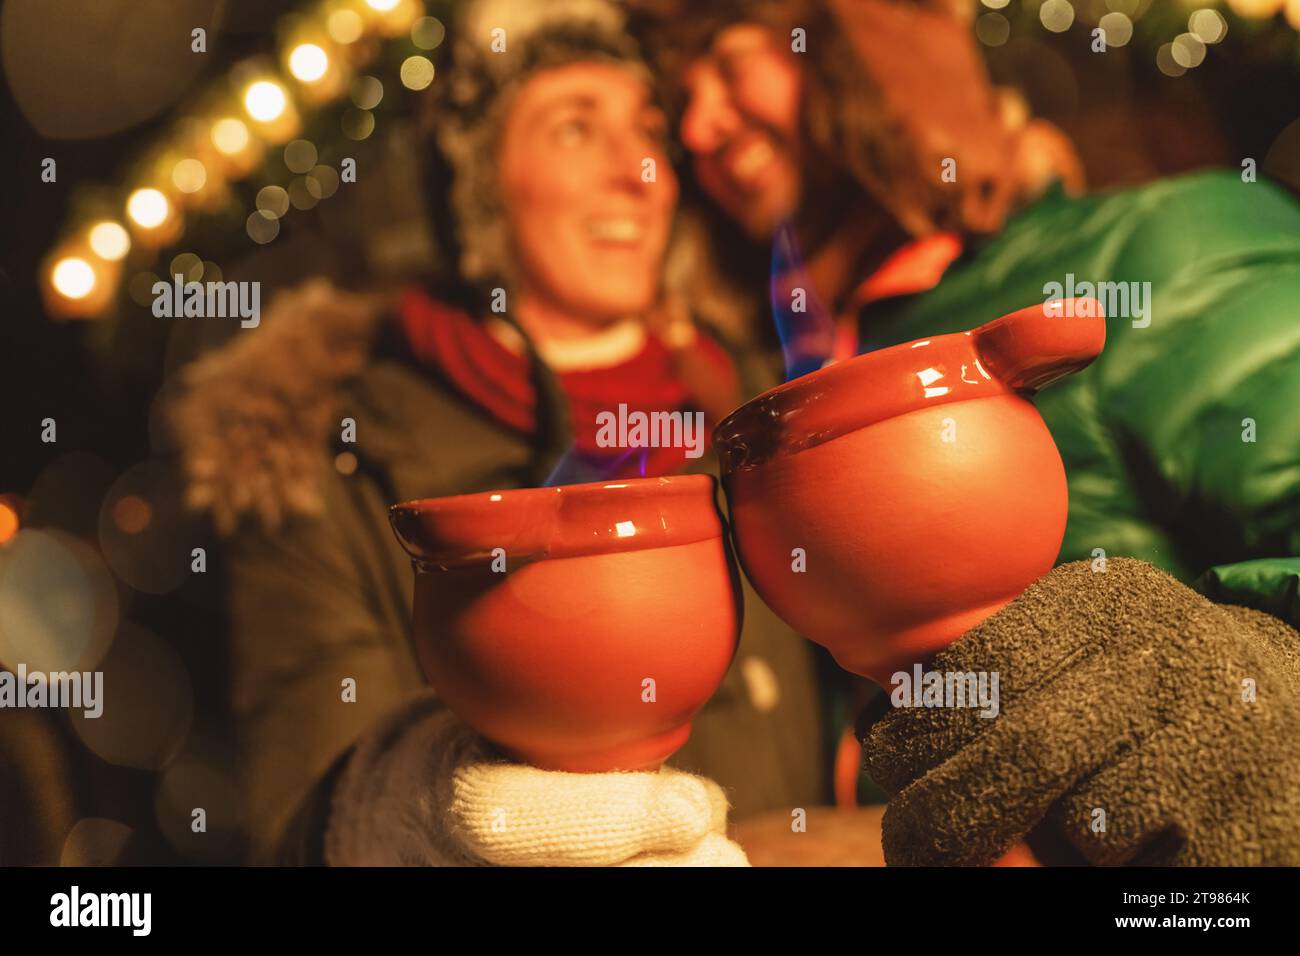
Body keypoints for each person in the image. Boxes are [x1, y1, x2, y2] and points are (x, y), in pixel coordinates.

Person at [170, 0, 833, 866]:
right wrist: (412, 809)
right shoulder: (324, 453)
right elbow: (300, 806)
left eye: (645, 130)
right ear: (480, 185)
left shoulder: (752, 405)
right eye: (572, 129)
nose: (638, 172)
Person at [645, 0, 1300, 864]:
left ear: (871, 51)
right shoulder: (774, 384)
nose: (698, 127)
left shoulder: (1162, 249)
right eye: (679, 101)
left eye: (730, 65)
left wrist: (1246, 711)